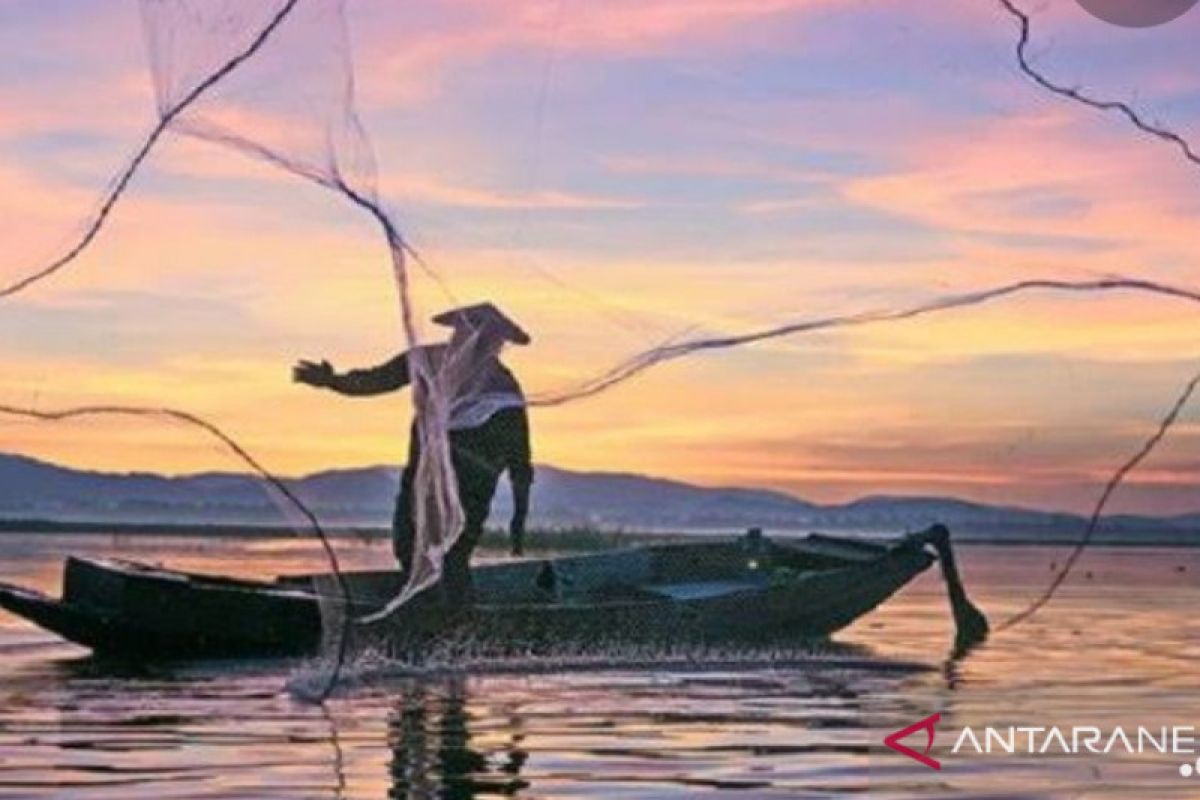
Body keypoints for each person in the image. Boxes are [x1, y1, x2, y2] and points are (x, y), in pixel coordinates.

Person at [293, 302, 534, 604]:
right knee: (408, 545)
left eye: (486, 335)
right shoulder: (428, 361)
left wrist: (519, 517)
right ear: (458, 332)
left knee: (454, 555)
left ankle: (456, 627)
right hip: (422, 477)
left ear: (496, 342)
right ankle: (423, 611)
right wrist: (332, 380)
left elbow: (520, 457)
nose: (476, 339)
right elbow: (375, 380)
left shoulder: (502, 386)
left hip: (472, 487)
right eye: (469, 330)